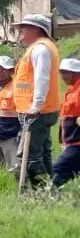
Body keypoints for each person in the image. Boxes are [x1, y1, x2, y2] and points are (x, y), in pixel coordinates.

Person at [10, 14, 63, 187]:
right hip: (43, 110)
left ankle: (41, 193)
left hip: (37, 112)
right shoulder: (42, 48)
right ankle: (52, 190)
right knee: (44, 154)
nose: (20, 32)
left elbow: (42, 78)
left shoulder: (40, 49)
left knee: (30, 157)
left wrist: (35, 106)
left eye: (23, 28)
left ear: (36, 29)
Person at [53, 58, 80, 188]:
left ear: (75, 73)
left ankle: (45, 198)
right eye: (61, 72)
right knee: (65, 174)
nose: (62, 76)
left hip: (77, 144)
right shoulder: (70, 91)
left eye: (65, 72)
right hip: (70, 143)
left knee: (56, 170)